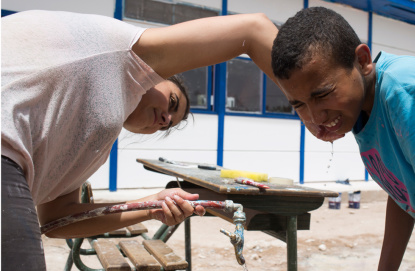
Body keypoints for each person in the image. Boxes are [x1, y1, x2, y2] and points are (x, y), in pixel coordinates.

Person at [1, 10, 278, 270]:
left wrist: (152, 206)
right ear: (154, 76)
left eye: (168, 125)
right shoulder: (126, 54)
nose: (166, 119)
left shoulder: (96, 141)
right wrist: (313, 103)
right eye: (171, 102)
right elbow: (252, 29)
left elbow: (57, 219)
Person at [271, 6, 415, 270]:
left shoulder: (406, 94)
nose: (315, 117)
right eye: (299, 104)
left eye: (322, 94)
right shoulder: (363, 108)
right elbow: (402, 190)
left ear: (362, 61)